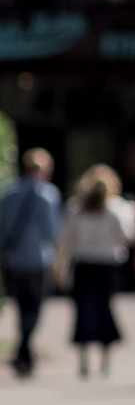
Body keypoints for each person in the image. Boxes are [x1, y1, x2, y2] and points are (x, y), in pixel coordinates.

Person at [59, 166, 135, 376]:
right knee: (104, 310)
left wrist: (61, 265)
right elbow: (130, 236)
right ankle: (105, 359)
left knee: (84, 310)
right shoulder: (116, 208)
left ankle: (84, 359)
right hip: (105, 265)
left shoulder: (76, 207)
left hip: (85, 264)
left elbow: (65, 240)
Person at [3, 145, 61, 378]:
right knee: (33, 307)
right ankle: (24, 351)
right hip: (38, 259)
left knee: (20, 306)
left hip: (13, 258)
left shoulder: (9, 193)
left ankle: (22, 354)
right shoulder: (48, 195)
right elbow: (52, 232)